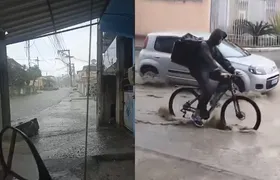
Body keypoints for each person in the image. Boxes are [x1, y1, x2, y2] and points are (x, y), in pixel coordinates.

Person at [185, 29, 236, 127]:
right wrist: (218, 70)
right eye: (220, 39)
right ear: (215, 38)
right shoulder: (204, 46)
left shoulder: (213, 48)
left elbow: (222, 60)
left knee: (225, 80)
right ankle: (196, 115)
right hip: (198, 70)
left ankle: (213, 99)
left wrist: (232, 69)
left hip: (207, 70)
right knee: (207, 90)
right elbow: (210, 60)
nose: (221, 41)